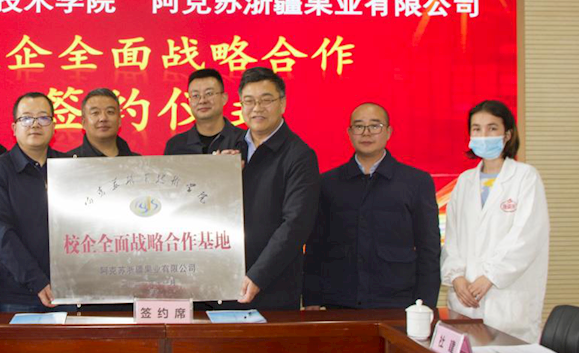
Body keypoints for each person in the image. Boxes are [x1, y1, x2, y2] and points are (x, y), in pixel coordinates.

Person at [303, 103, 440, 310]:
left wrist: (426, 303)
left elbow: (428, 248)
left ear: (388, 132)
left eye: (375, 126)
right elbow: (315, 246)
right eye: (359, 126)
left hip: (397, 301)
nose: (366, 133)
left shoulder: (416, 182)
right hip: (339, 300)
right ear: (350, 133)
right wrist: (312, 298)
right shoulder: (327, 183)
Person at [441, 100, 549, 343]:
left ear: (507, 134)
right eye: (477, 129)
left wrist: (490, 277)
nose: (484, 135)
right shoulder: (465, 181)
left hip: (507, 300)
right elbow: (453, 238)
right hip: (466, 299)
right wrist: (456, 277)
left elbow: (527, 238)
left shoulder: (525, 177)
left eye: (492, 128)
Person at [235, 67, 319, 309]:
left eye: (266, 100)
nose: (257, 108)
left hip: (272, 287)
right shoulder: (232, 147)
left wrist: (258, 275)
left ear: (282, 103)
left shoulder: (299, 155)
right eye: (249, 101)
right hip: (227, 282)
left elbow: (296, 224)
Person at [0, 92, 68, 312]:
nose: (35, 124)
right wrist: (36, 280)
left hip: (68, 288)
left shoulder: (69, 167)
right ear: (14, 128)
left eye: (43, 118)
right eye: (26, 118)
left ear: (54, 125)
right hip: (18, 294)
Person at [164, 68, 246, 155]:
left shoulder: (244, 140)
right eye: (195, 95)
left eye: (209, 93)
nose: (202, 100)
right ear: (189, 102)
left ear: (224, 98)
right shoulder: (175, 146)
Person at [65, 88, 139, 157]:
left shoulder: (137, 161)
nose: (103, 118)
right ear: (84, 123)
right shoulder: (69, 162)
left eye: (110, 112)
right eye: (95, 113)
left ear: (119, 120)